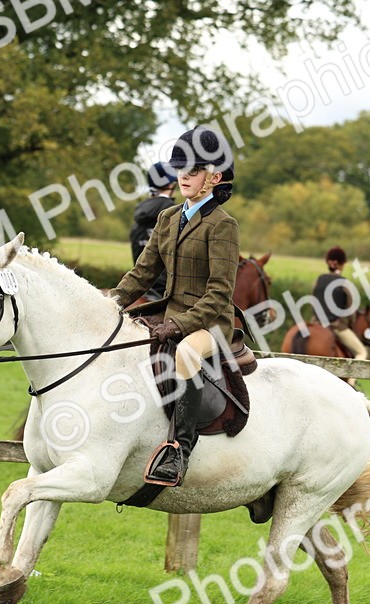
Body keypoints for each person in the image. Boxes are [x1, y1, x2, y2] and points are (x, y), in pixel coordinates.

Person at [109, 126, 239, 486]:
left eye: (193, 170)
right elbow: (142, 273)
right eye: (180, 168)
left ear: (213, 177)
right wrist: (109, 303)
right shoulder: (167, 218)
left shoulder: (223, 226)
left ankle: (179, 449)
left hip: (209, 323)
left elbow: (219, 293)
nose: (183, 176)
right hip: (170, 313)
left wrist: (180, 326)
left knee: (185, 354)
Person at [130, 162, 178, 302]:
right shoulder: (176, 213)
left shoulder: (139, 213)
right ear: (171, 185)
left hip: (138, 288)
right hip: (166, 292)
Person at [312, 246, 368, 362]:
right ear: (342, 264)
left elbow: (313, 301)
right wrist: (350, 323)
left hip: (316, 324)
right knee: (362, 352)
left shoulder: (319, 280)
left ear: (328, 262)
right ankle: (351, 381)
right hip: (336, 326)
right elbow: (351, 312)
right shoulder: (345, 283)